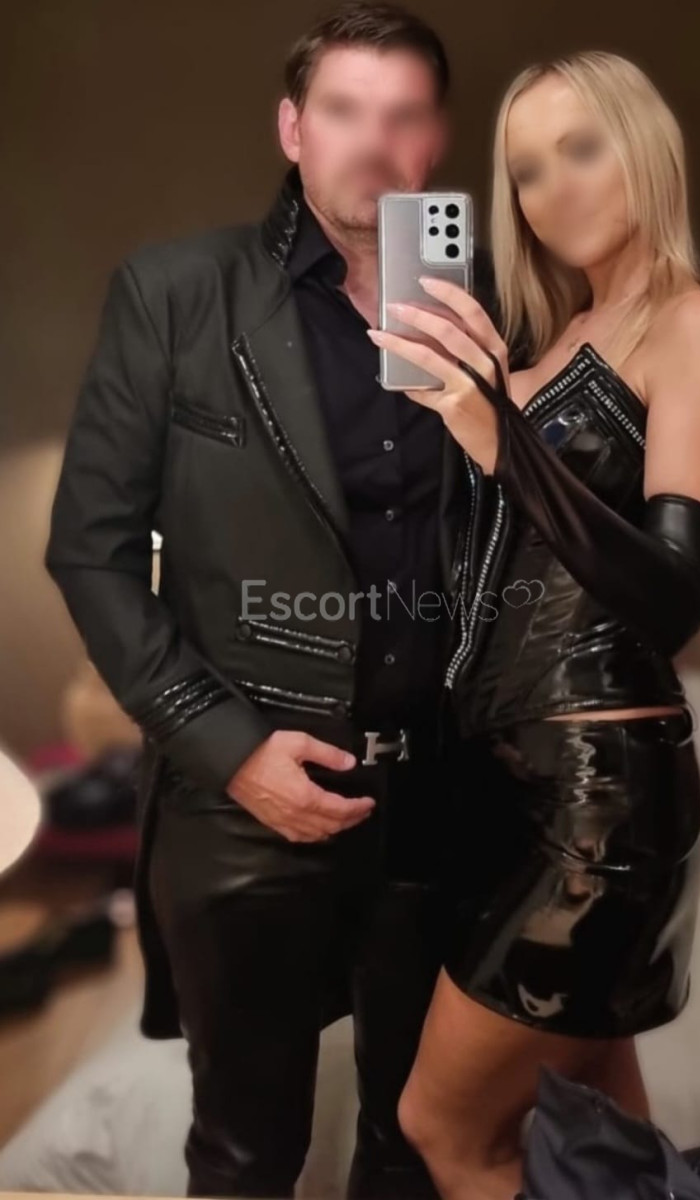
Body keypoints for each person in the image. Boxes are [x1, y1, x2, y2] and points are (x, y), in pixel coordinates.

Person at [42, 3, 501, 1197]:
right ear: (294, 128)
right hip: (246, 802)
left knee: (419, 1152)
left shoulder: (495, 306)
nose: (373, 143)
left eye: (403, 116)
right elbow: (90, 551)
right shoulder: (177, 294)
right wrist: (229, 750)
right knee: (246, 1158)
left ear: (437, 138)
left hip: (445, 799)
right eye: (344, 111)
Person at [367, 49, 700, 1200]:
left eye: (581, 149)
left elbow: (676, 594)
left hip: (601, 803)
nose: (552, 190)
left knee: (447, 1129)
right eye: (528, 170)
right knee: (601, 1149)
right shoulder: (536, 355)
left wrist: (502, 440)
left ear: (644, 147)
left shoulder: (696, 327)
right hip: (498, 790)